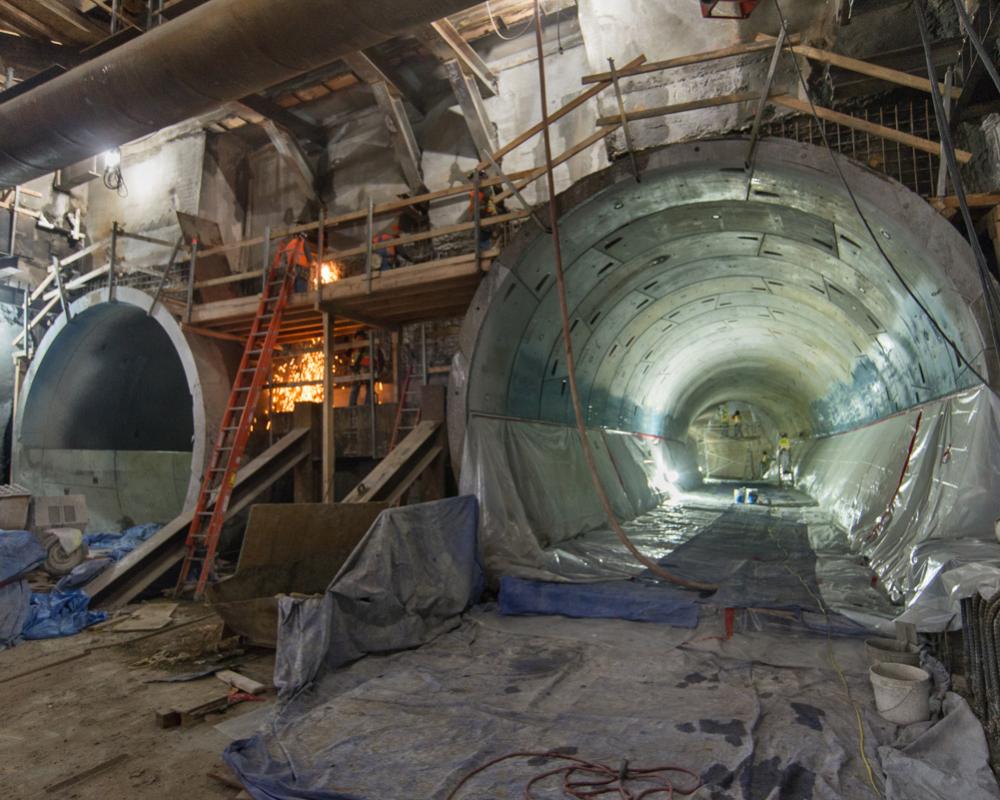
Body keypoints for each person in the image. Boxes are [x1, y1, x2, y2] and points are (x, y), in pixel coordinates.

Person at [468, 170, 497, 249]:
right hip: (484, 224)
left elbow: (485, 207)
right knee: (483, 244)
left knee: (484, 244)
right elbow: (472, 208)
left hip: (486, 223)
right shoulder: (478, 192)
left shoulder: (485, 191)